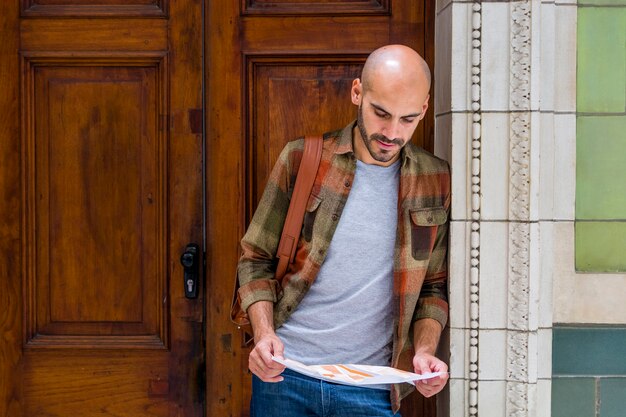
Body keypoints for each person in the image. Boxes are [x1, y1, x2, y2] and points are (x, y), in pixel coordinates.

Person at [236, 44, 450, 416]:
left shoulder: (435, 179)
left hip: (372, 386)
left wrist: (424, 352)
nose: (392, 133)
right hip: (288, 375)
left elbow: (433, 285)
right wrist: (265, 336)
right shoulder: (303, 159)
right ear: (357, 93)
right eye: (381, 113)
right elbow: (255, 260)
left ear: (425, 110)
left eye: (407, 119)